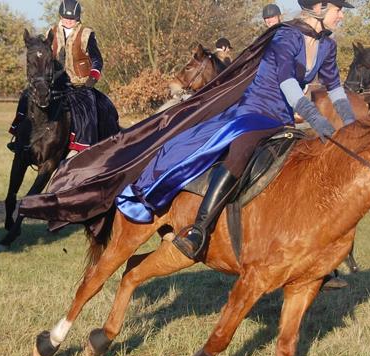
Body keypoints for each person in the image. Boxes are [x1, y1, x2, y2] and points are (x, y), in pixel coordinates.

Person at [113, 0, 357, 260]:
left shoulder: (328, 45)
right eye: (338, 9)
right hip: (257, 109)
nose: (341, 15)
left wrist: (352, 124)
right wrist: (314, 117)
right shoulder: (286, 36)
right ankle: (199, 229)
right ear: (319, 7)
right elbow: (286, 81)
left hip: (284, 116)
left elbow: (335, 87)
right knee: (241, 152)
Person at [8, 0, 112, 153]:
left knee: (88, 106)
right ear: (60, 16)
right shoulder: (52, 31)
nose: (68, 21)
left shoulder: (86, 34)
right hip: (56, 81)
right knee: (26, 96)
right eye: (65, 18)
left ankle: (83, 146)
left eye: (72, 19)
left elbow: (97, 59)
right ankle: (19, 135)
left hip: (81, 84)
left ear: (78, 18)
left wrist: (92, 78)